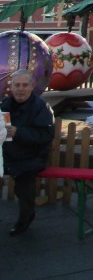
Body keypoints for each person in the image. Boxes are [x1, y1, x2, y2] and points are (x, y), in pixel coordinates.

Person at [1, 69, 55, 236]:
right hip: (9, 153)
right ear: (11, 86)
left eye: (25, 85)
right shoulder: (6, 105)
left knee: (24, 181)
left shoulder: (41, 107)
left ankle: (25, 218)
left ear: (32, 87)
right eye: (17, 85)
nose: (20, 89)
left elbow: (45, 135)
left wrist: (18, 132)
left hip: (32, 155)